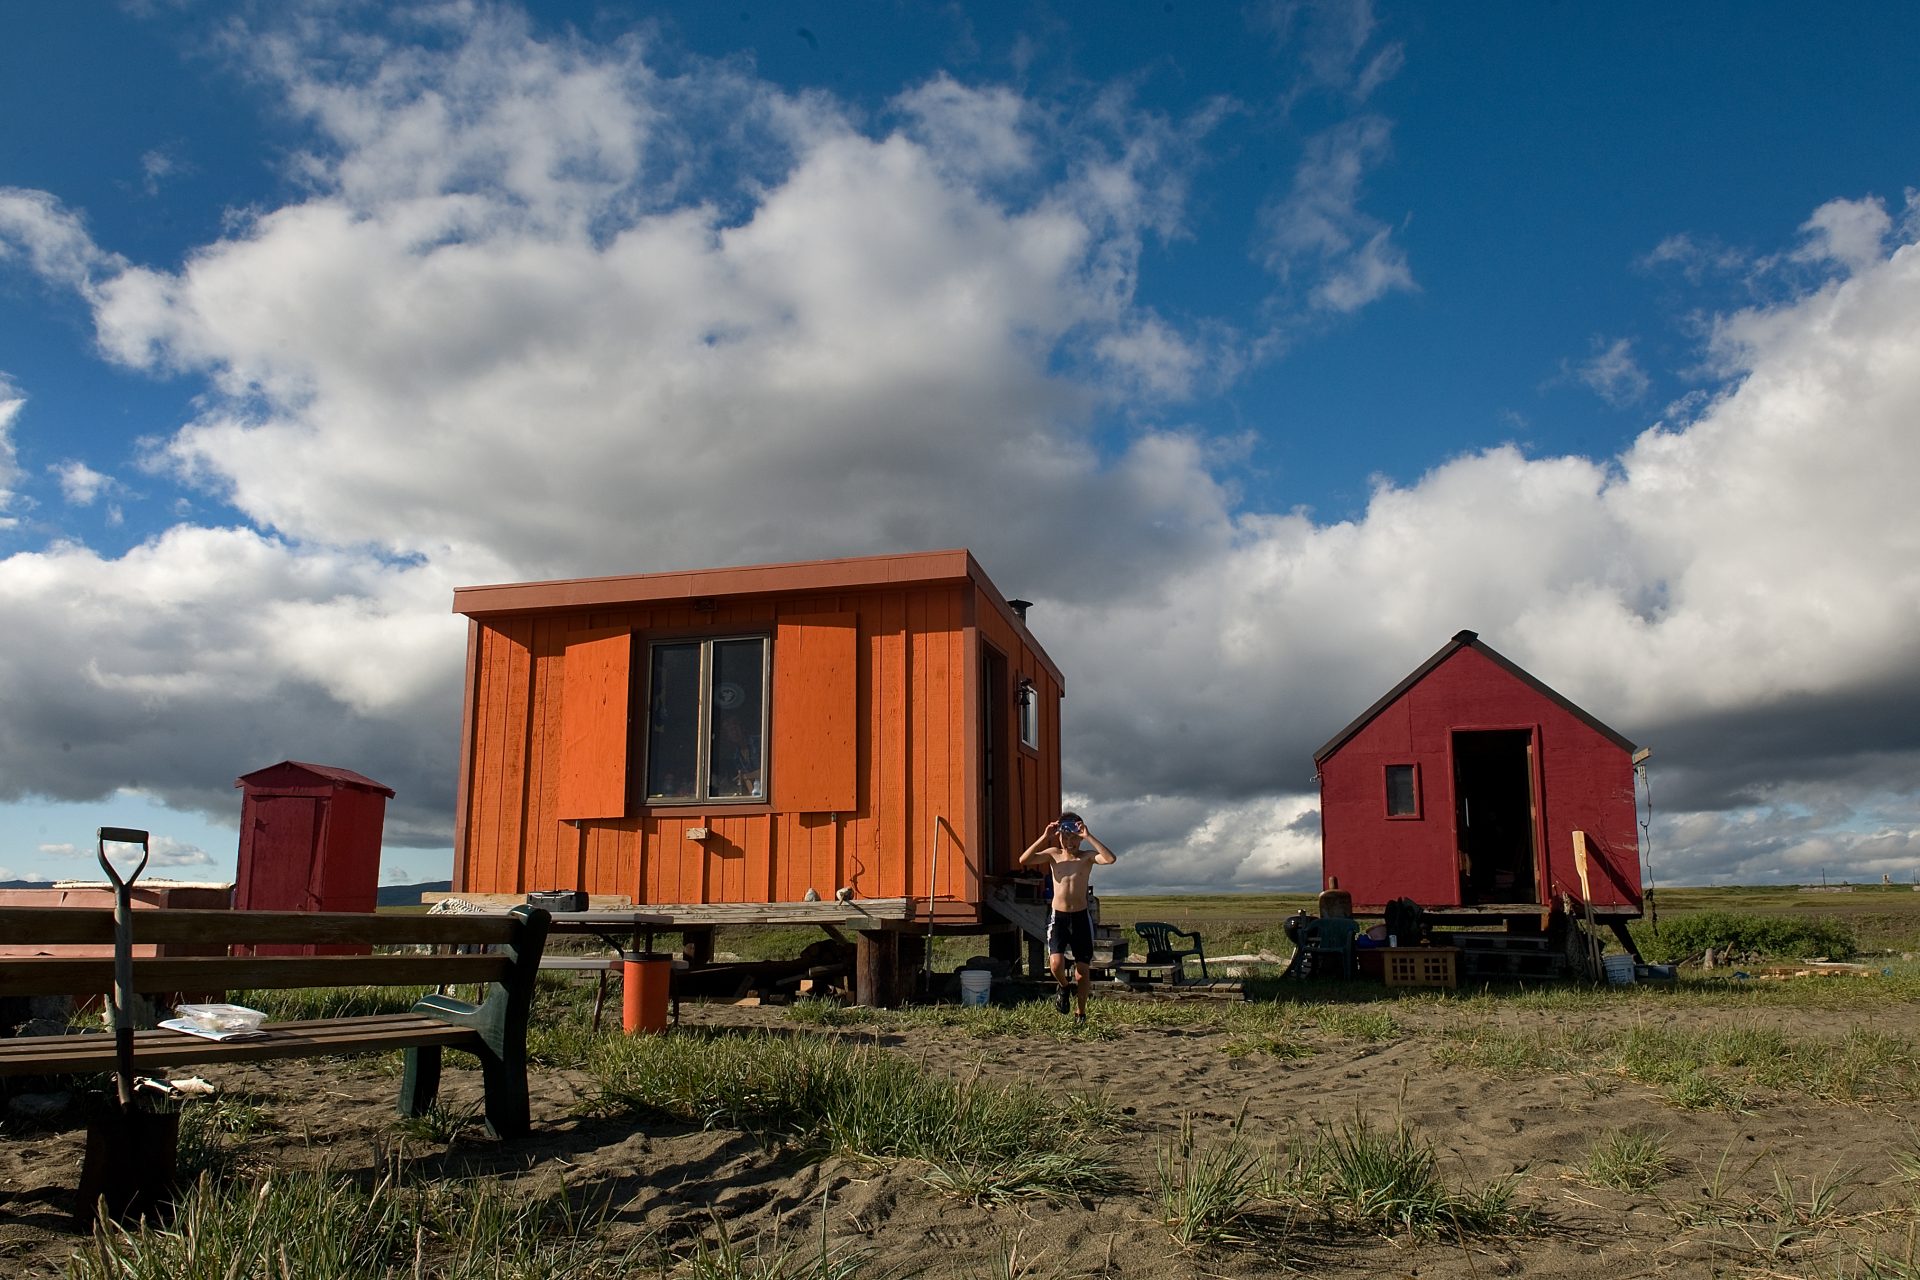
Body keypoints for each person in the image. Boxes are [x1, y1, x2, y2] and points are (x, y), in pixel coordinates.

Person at [1018, 811, 1116, 1023]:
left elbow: (1110, 859)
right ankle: (1063, 986)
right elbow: (1024, 859)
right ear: (1059, 837)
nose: (1070, 842)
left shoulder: (1087, 857)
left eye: (1074, 838)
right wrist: (1045, 837)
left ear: (1079, 837)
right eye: (1066, 837)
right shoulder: (1053, 854)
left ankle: (1081, 1012)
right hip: (1059, 917)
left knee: (1082, 971)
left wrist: (1088, 836)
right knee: (1055, 964)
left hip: (1080, 917)